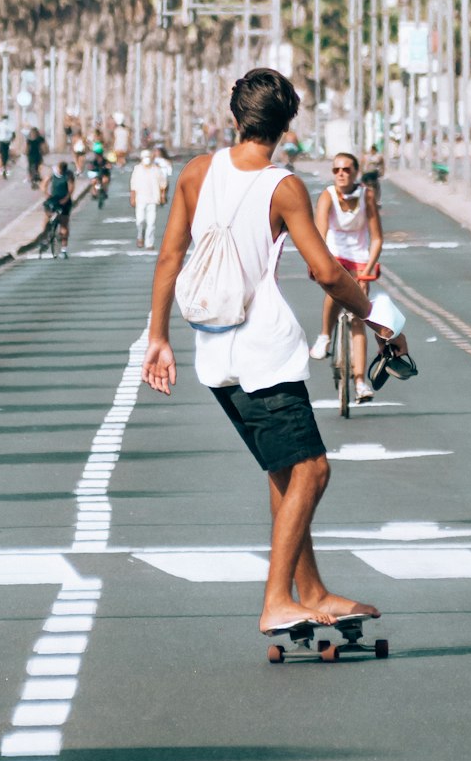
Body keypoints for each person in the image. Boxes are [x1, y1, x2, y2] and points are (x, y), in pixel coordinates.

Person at [141, 68, 407, 634]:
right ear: (286, 126)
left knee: (285, 472)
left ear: (235, 118)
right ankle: (275, 601)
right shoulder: (282, 187)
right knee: (312, 471)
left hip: (215, 358)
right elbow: (326, 271)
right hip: (263, 352)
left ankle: (310, 590)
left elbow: (169, 259)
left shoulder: (196, 173)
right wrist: (377, 318)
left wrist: (158, 337)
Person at [308, 152, 384, 403]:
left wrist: (367, 269)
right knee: (335, 290)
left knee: (360, 316)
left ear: (356, 172)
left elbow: (376, 238)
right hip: (334, 253)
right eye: (336, 170)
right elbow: (319, 234)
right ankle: (325, 336)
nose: (341, 174)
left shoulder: (367, 195)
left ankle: (361, 382)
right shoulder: (327, 196)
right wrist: (319, 263)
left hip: (360, 256)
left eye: (347, 170)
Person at [130, 149, 166, 249]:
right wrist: (132, 198)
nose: (146, 159)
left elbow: (163, 184)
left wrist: (163, 196)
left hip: (153, 200)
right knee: (140, 220)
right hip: (140, 199)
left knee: (151, 223)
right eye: (145, 157)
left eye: (148, 157)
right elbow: (133, 185)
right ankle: (140, 236)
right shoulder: (137, 169)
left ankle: (149, 243)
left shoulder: (156, 170)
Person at [42, 161, 75, 258]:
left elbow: (71, 188)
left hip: (61, 201)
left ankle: (63, 248)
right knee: (49, 218)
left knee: (63, 224)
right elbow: (44, 184)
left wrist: (66, 198)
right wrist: (46, 193)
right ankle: (46, 236)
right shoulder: (59, 174)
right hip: (57, 200)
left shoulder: (67, 174)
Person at [0, 113, 16, 178]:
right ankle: (3, 167)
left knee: (2, 155)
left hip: (2, 142)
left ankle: (3, 167)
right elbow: (13, 134)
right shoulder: (9, 125)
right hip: (5, 142)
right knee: (4, 155)